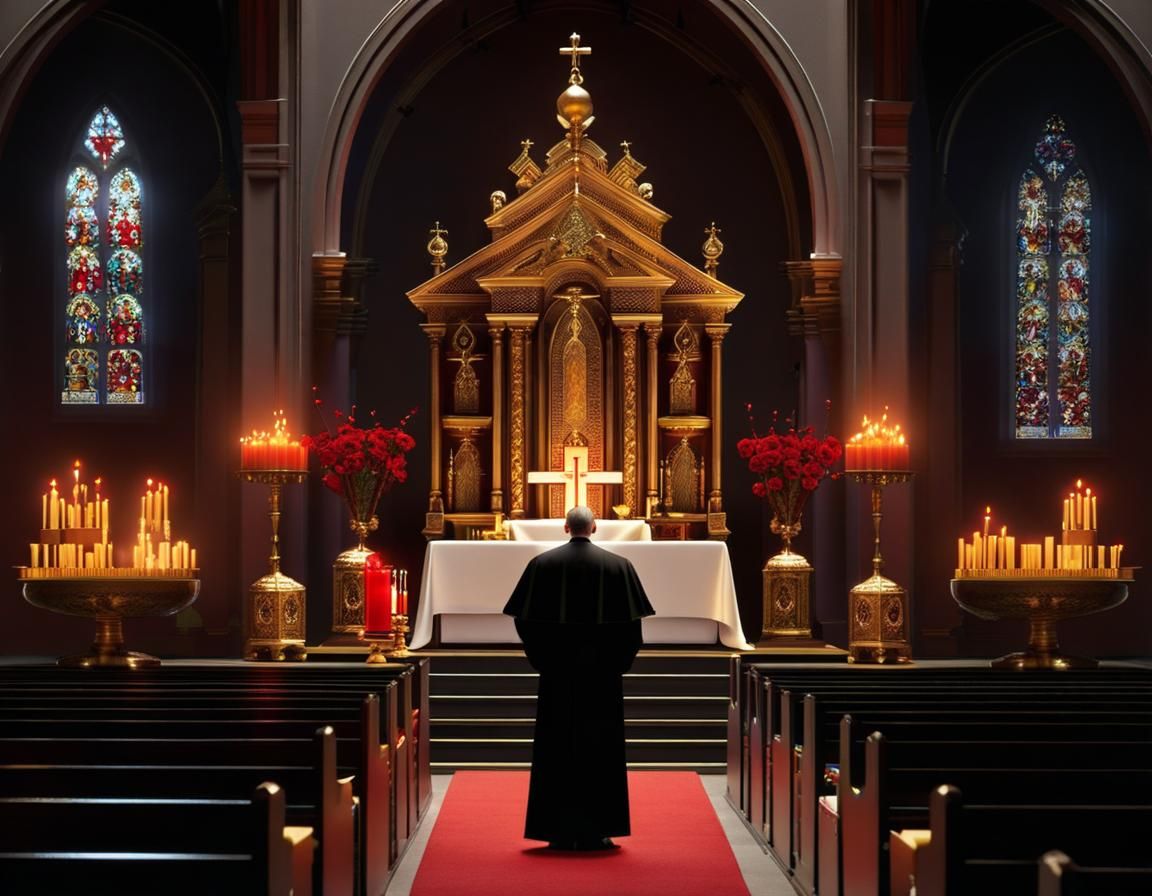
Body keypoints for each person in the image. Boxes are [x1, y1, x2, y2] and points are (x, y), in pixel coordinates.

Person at [503, 506, 655, 851]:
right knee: (602, 749)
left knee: (555, 747)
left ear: (566, 527)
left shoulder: (542, 564)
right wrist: (617, 663)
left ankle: (555, 830)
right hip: (603, 678)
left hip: (557, 675)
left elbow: (524, 622)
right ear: (595, 527)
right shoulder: (619, 566)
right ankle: (599, 830)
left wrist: (544, 659)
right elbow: (633, 628)